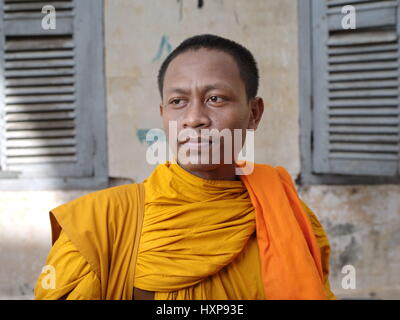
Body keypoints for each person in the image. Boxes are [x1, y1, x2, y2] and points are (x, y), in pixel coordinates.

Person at [34, 34, 335, 300]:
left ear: (254, 114)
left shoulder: (290, 218)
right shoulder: (99, 224)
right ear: (163, 115)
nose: (194, 118)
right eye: (178, 102)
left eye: (215, 99)